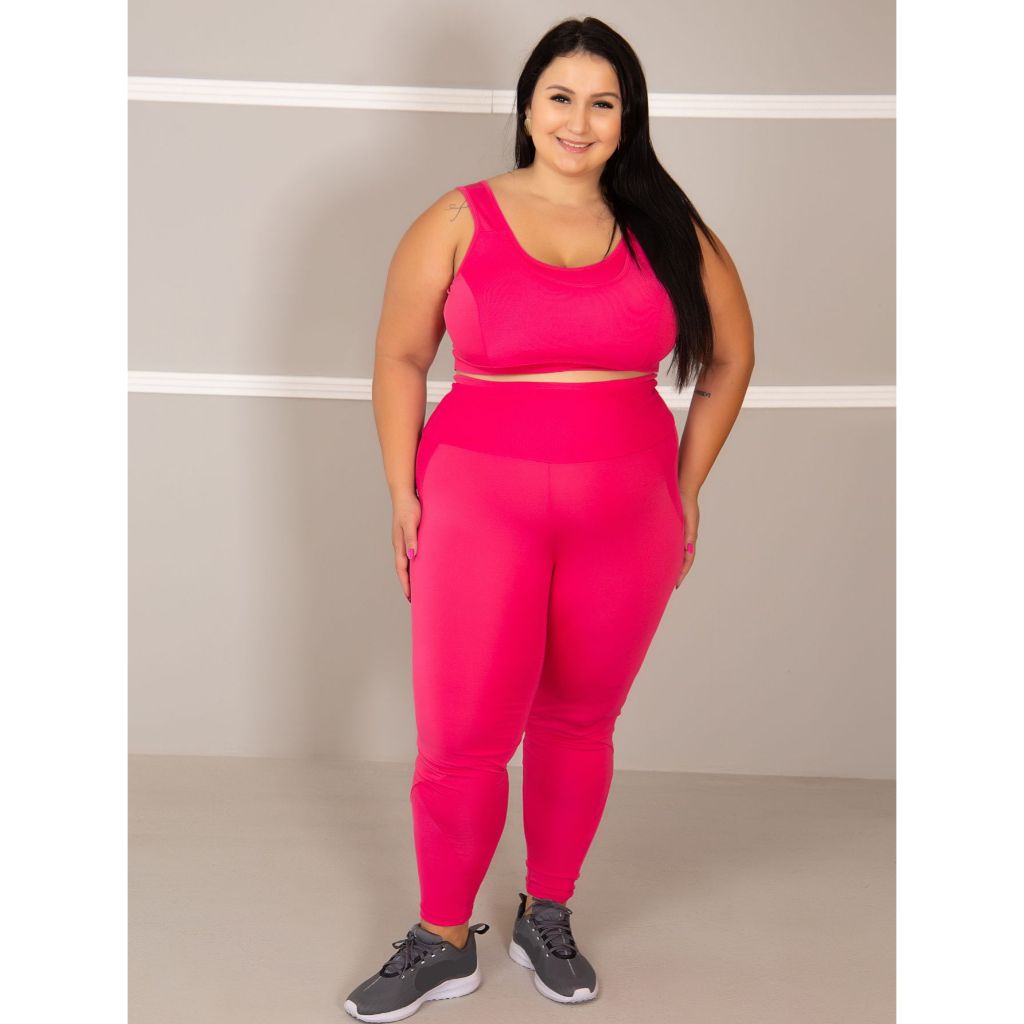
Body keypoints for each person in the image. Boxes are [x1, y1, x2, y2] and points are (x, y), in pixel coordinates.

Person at [347, 15, 754, 1022]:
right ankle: (442, 938)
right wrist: (400, 490)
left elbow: (732, 355)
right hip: (476, 507)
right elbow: (401, 355)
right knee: (461, 735)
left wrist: (688, 486)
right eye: (560, 97)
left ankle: (548, 912)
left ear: (628, 117)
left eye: (603, 102)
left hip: (627, 515)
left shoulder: (669, 229)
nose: (579, 121)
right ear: (528, 107)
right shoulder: (457, 218)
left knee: (579, 720)